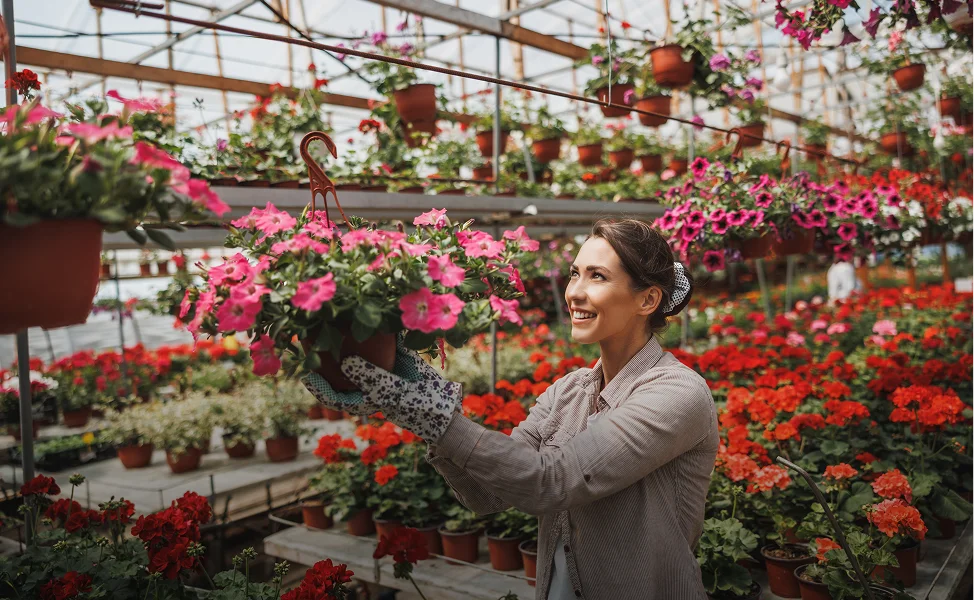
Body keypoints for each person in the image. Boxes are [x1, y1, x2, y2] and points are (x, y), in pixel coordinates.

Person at [304, 218, 719, 599]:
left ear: (648, 299)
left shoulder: (678, 393)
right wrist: (420, 402)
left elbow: (554, 482)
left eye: (598, 276)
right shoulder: (568, 392)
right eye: (575, 273)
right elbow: (487, 494)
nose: (574, 291)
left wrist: (438, 418)